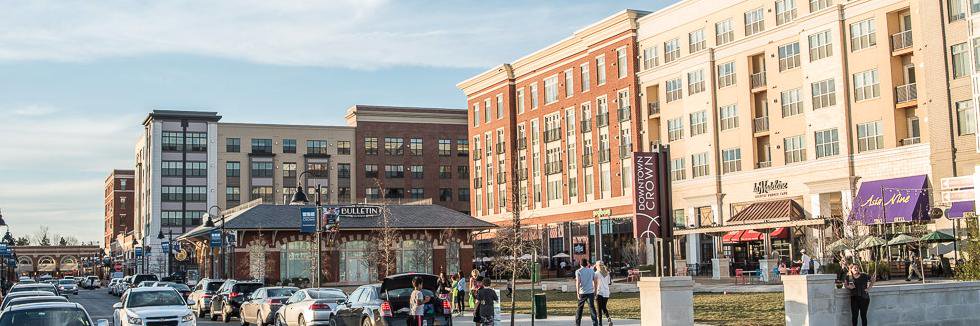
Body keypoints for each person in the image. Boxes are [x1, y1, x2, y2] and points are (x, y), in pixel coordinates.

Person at [575, 259, 599, 326]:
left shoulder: (578, 271)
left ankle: (577, 324)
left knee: (579, 309)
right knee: (592, 308)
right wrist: (595, 291)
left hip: (582, 292)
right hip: (590, 292)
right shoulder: (591, 271)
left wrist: (577, 292)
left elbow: (578, 282)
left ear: (580, 264)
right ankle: (595, 323)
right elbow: (595, 281)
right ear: (587, 264)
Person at [594, 261, 613, 326]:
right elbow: (608, 283)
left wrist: (595, 293)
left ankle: (600, 323)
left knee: (599, 309)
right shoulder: (607, 273)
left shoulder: (596, 273)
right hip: (606, 292)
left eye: (596, 265)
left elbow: (595, 284)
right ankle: (608, 318)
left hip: (599, 292)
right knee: (604, 307)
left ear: (597, 266)